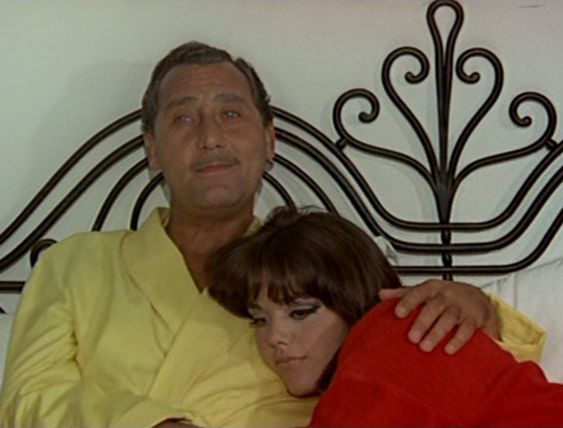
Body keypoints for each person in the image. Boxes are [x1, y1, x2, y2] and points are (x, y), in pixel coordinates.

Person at [0, 41, 544, 428]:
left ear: (269, 140)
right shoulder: (74, 263)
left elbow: (421, 360)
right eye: (183, 118)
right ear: (152, 149)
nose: (210, 137)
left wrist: (476, 304)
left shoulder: (310, 262)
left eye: (231, 114)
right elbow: (27, 399)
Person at [208, 206, 563, 426]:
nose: (275, 338)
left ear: (353, 300)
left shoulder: (395, 333)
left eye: (301, 312)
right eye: (260, 319)